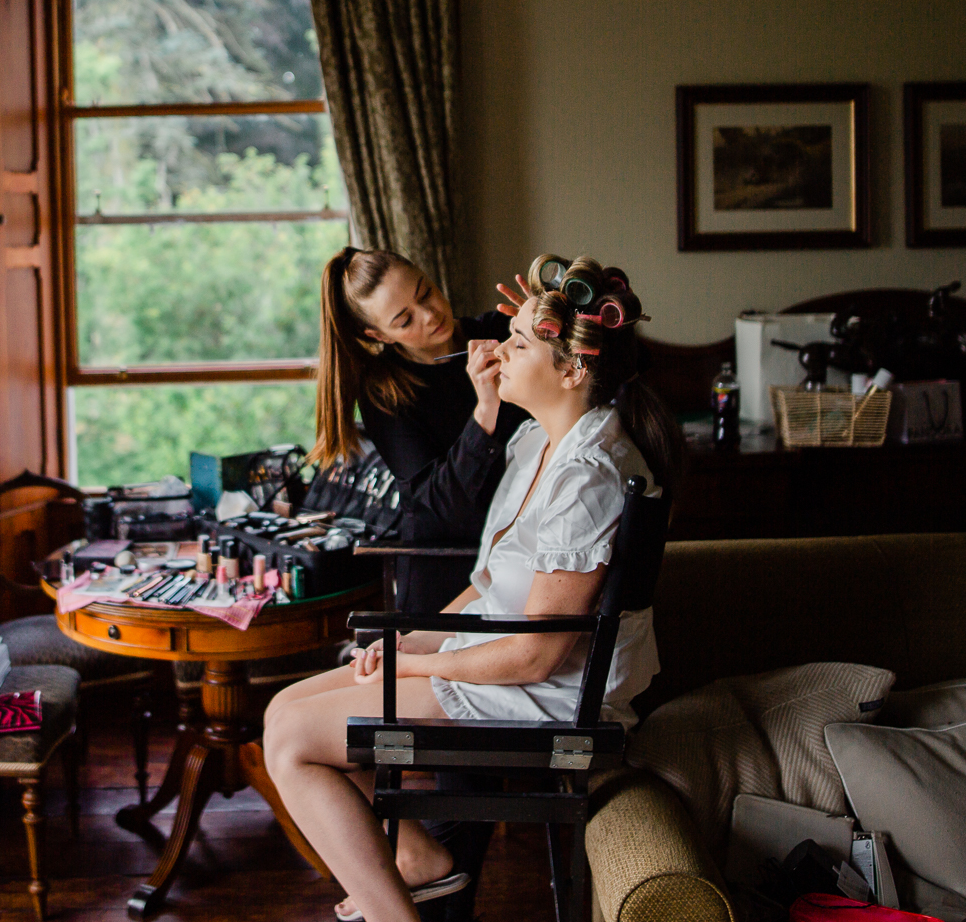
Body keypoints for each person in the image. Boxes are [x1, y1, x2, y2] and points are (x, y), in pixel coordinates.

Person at [266, 255, 686, 922]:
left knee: (292, 742)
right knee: (283, 709)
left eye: (517, 343)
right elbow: (484, 586)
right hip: (508, 659)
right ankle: (420, 865)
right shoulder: (532, 445)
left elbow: (536, 656)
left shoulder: (590, 474)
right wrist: (403, 639)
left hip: (546, 693)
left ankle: (397, 911)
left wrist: (419, 660)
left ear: (573, 369)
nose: (497, 348)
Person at [309, 246, 529, 614]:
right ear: (378, 335)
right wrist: (485, 410)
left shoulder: (500, 330)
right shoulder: (384, 391)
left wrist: (556, 322)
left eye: (424, 292)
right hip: (448, 568)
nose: (430, 315)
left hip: (528, 546)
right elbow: (439, 506)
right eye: (404, 320)